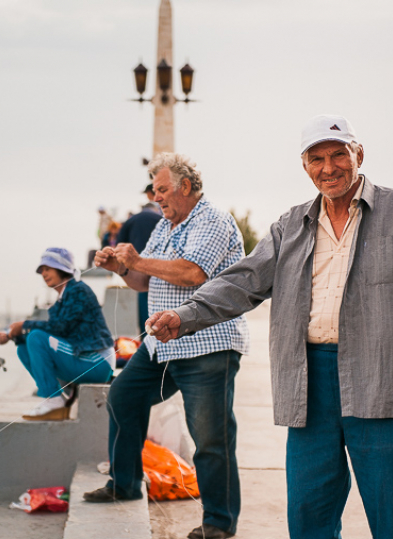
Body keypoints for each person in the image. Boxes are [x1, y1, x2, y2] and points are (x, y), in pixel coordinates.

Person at [146, 115, 393, 539]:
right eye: (317, 159)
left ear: (359, 155)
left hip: (384, 381)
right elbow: (243, 281)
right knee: (308, 512)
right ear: (305, 165)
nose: (329, 167)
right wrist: (184, 315)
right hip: (308, 382)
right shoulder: (291, 225)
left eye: (338, 155)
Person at [84, 152, 249, 539]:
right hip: (162, 344)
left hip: (207, 343)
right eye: (153, 191)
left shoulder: (212, 220)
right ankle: (124, 483)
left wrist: (138, 260)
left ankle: (219, 523)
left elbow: (193, 273)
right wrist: (122, 269)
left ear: (185, 187)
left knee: (210, 436)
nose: (156, 198)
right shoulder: (164, 227)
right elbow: (145, 282)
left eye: (161, 190)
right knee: (122, 397)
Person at [0, 247, 115, 421]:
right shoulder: (60, 301)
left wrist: (23, 325)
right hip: (82, 358)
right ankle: (57, 397)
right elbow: (56, 331)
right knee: (24, 347)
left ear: (62, 269)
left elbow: (61, 328)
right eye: (42, 270)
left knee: (35, 336)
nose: (44, 274)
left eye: (48, 269)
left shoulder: (78, 290)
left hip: (97, 362)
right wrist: (13, 336)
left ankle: (54, 398)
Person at [117, 199, 162, 333]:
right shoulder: (160, 218)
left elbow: (119, 244)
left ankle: (145, 334)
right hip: (159, 265)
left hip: (136, 266)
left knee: (143, 296)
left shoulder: (131, 220)